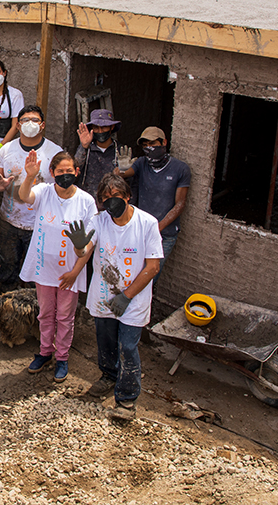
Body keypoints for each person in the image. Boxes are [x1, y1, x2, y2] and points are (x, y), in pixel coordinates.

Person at [78, 174, 162, 421]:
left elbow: (153, 267)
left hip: (133, 300)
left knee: (127, 346)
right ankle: (108, 376)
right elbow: (85, 249)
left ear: (127, 197)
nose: (110, 203)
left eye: (115, 197)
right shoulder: (99, 221)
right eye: (105, 199)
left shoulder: (147, 223)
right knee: (105, 342)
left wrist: (126, 296)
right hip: (104, 297)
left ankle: (126, 399)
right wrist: (77, 246)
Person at [16, 151, 97, 382]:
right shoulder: (44, 191)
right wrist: (30, 176)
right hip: (44, 269)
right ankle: (44, 353)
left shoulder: (86, 201)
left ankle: (62, 357)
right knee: (45, 314)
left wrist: (76, 272)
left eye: (69, 171)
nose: (64, 175)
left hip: (69, 272)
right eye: (59, 171)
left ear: (76, 172)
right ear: (52, 173)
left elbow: (89, 242)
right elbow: (24, 196)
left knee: (64, 316)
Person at [0, 105, 64, 295]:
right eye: (25, 120)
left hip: (41, 224)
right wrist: (1, 186)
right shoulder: (6, 150)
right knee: (8, 265)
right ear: (18, 125)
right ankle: (5, 306)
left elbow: (61, 187)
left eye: (35, 120)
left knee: (36, 271)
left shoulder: (55, 153)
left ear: (43, 125)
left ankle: (34, 311)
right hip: (9, 220)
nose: (29, 124)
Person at [118, 126, 190, 277]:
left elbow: (180, 204)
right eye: (145, 145)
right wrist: (121, 169)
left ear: (163, 142)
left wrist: (157, 228)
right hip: (140, 231)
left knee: (150, 275)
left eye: (153, 144)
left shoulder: (180, 169)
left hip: (165, 234)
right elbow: (123, 174)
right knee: (132, 273)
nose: (149, 148)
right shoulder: (142, 163)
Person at [74, 109, 123, 203]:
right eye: (96, 128)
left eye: (104, 127)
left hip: (112, 202)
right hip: (88, 201)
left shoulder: (120, 151)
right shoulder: (86, 149)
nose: (100, 131)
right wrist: (84, 146)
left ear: (111, 127)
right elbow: (75, 169)